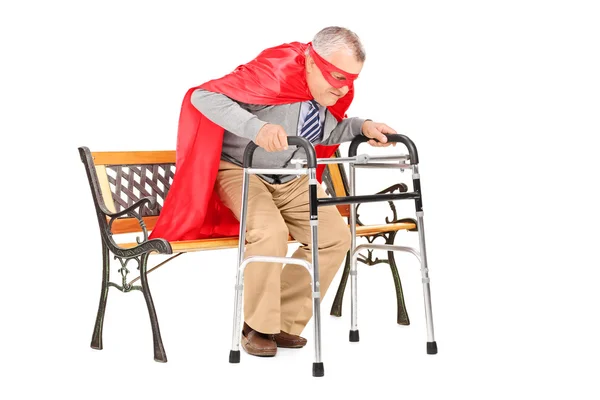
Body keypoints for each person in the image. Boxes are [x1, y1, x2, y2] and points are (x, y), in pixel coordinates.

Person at [150, 26, 397, 357]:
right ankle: (257, 328)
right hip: (242, 170)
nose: (343, 88)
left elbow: (325, 132)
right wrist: (257, 128)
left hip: (291, 176)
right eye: (337, 76)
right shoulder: (275, 72)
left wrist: (363, 127)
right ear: (311, 60)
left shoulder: (323, 92)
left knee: (336, 236)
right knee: (269, 233)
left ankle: (280, 321)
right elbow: (203, 96)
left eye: (351, 80)